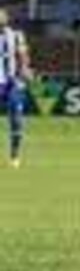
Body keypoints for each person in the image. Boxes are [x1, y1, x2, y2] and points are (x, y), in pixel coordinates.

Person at [0, 9, 30, 168]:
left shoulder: (16, 35)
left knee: (16, 119)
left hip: (12, 83)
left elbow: (23, 55)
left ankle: (15, 155)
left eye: (2, 16)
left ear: (6, 19)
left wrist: (25, 69)